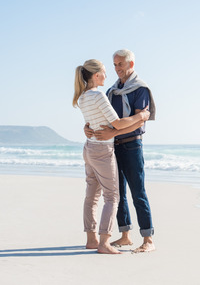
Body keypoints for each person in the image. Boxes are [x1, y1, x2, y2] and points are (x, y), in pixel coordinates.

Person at [73, 59, 150, 254]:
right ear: (96, 75)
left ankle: (91, 239)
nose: (108, 76)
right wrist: (141, 117)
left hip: (89, 148)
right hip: (102, 151)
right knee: (112, 196)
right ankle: (104, 243)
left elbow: (94, 124)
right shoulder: (99, 95)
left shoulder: (82, 97)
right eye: (105, 72)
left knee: (91, 195)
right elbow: (117, 124)